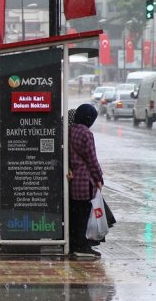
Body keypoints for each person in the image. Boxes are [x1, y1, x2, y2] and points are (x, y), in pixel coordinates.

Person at [68, 103, 105, 258]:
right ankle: (81, 246)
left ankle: (74, 243)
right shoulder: (86, 134)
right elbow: (91, 159)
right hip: (85, 181)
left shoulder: (70, 131)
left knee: (75, 215)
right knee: (83, 215)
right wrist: (99, 178)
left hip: (73, 181)